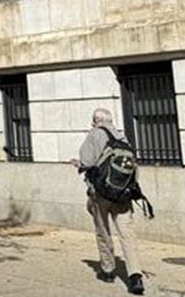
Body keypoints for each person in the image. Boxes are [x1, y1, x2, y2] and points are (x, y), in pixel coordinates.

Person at [71, 108, 145, 295]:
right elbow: (133, 167)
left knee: (103, 230)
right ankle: (135, 275)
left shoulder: (94, 135)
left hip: (101, 194)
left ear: (95, 121)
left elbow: (87, 161)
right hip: (122, 194)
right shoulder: (122, 137)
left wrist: (78, 164)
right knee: (127, 234)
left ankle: (108, 269)